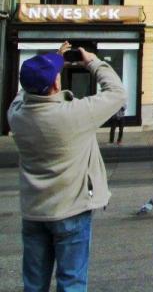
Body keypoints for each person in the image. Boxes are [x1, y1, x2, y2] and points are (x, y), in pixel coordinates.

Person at [7, 41, 126, 291]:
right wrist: (92, 61)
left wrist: (54, 59)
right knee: (71, 281)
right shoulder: (75, 114)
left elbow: (24, 93)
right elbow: (117, 93)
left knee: (34, 283)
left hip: (34, 212)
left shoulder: (16, 116)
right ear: (56, 84)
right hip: (71, 210)